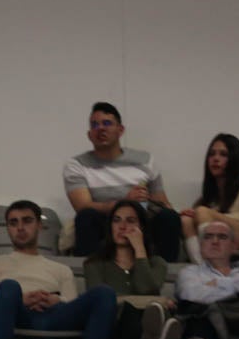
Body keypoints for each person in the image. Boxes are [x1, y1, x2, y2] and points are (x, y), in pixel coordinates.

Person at [0, 200, 118, 339]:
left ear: (40, 225)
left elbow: (71, 305)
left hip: (54, 315)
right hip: (16, 314)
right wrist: (19, 301)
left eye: (27, 221)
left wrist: (57, 301)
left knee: (104, 293)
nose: (20, 228)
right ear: (7, 228)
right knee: (9, 287)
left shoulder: (61, 270)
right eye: (13, 223)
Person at [65, 102, 182, 262]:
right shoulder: (77, 164)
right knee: (86, 217)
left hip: (141, 221)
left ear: (120, 130)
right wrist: (125, 203)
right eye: (95, 125)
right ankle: (90, 276)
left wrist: (177, 213)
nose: (101, 128)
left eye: (107, 123)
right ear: (89, 134)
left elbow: (161, 201)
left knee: (169, 218)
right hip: (104, 221)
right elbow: (82, 206)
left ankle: (164, 274)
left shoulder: (144, 160)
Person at [82, 199, 171, 339]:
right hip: (112, 328)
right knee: (130, 313)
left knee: (142, 316)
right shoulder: (93, 264)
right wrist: (158, 301)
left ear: (142, 228)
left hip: (142, 323)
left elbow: (145, 288)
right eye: (116, 220)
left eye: (130, 221)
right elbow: (101, 302)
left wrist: (139, 250)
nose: (122, 227)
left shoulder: (157, 263)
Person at [180, 133, 239, 258]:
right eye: (212, 154)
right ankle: (200, 266)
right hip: (225, 236)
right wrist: (192, 215)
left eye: (223, 154)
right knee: (186, 220)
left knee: (202, 212)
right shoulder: (207, 198)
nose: (215, 159)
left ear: (234, 158)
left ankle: (208, 265)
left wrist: (208, 215)